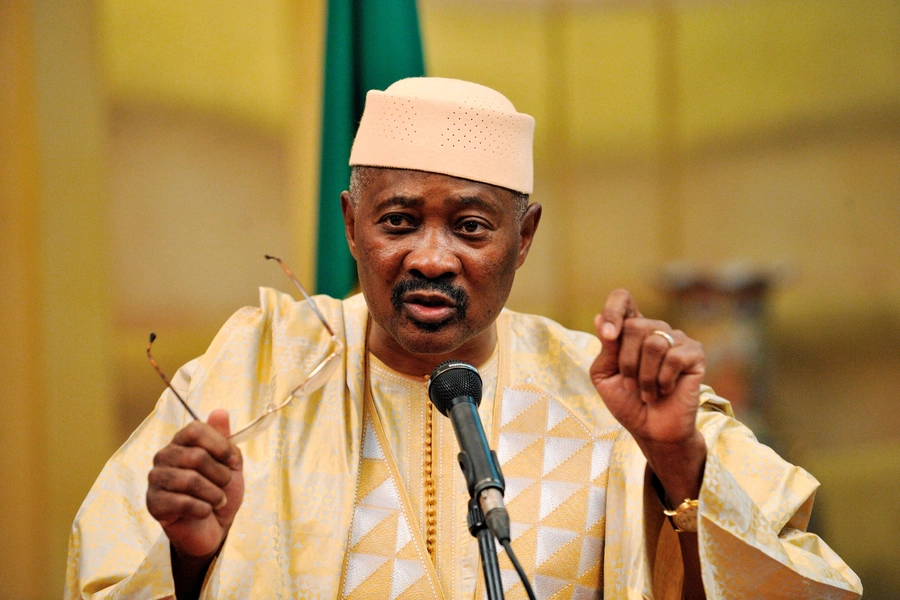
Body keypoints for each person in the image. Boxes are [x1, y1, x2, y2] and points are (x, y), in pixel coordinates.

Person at [66, 78, 862, 599]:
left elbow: (811, 585)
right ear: (350, 223)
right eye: (399, 221)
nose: (432, 258)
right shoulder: (257, 373)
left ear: (525, 237)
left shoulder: (611, 391)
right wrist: (189, 558)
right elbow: (99, 575)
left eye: (472, 226)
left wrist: (676, 463)